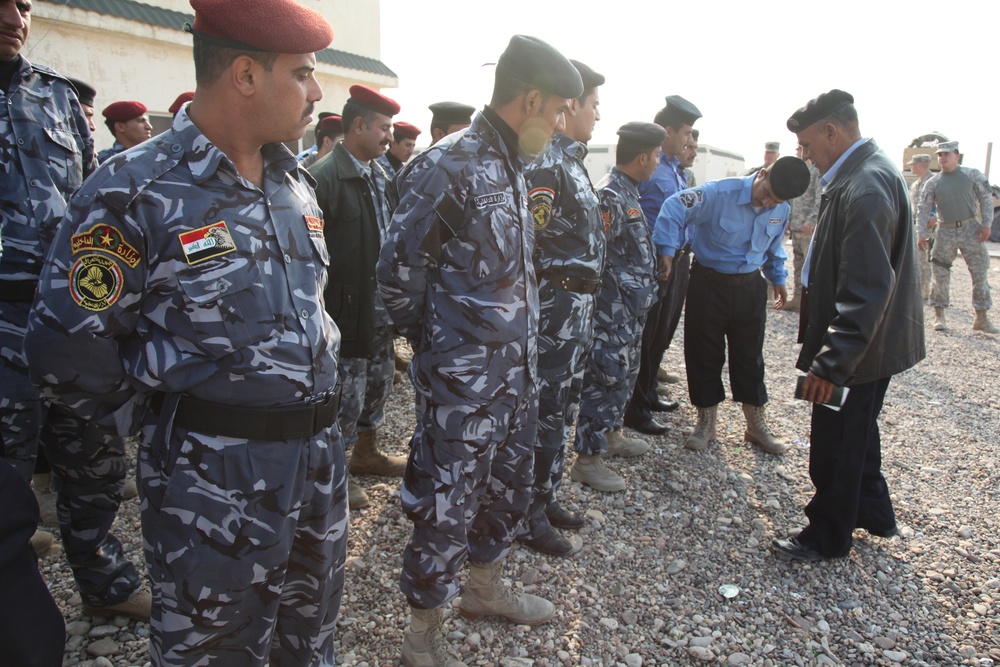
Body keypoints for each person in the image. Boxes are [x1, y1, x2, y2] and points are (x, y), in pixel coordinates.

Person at [25, 0, 349, 662]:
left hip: (316, 468)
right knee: (214, 649)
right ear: (246, 76)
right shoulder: (136, 187)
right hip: (213, 489)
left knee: (306, 644)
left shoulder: (294, 182)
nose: (317, 92)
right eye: (304, 72)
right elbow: (65, 350)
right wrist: (173, 428)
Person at [377, 34, 582, 666]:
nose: (564, 123)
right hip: (461, 386)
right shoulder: (450, 165)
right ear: (530, 99)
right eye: (559, 111)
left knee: (505, 490)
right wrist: (442, 349)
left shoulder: (514, 166)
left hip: (514, 379)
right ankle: (421, 633)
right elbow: (396, 279)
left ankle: (484, 589)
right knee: (445, 502)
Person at [1, 0, 148, 617]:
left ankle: (103, 580)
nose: (15, 15)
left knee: (93, 455)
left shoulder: (55, 96)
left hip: (64, 309)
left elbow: (90, 197)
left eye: (25, 4)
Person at [773, 89, 924, 562]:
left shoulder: (865, 187)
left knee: (835, 443)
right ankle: (875, 513)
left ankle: (827, 535)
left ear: (832, 133)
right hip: (871, 347)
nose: (808, 158)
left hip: (858, 353)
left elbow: (866, 292)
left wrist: (830, 365)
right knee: (860, 430)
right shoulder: (868, 172)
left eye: (809, 146)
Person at [655, 157, 810, 454]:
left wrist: (778, 278)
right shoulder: (718, 194)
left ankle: (755, 426)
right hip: (709, 285)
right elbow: (675, 207)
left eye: (774, 201)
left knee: (750, 357)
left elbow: (774, 247)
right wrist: (667, 249)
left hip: (750, 288)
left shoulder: (781, 208)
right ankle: (706, 424)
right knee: (704, 353)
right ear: (761, 174)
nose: (766, 203)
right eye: (766, 194)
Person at [519, 59, 604, 557]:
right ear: (570, 105)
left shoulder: (572, 160)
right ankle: (527, 512)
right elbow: (531, 238)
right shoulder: (548, 162)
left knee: (564, 405)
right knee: (546, 409)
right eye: (593, 104)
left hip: (578, 307)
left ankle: (545, 496)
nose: (597, 114)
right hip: (555, 305)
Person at [310, 84, 405, 511]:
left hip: (380, 311)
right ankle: (339, 473)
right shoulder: (323, 178)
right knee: (345, 396)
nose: (389, 136)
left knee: (378, 386)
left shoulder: (382, 174)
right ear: (358, 126)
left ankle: (368, 452)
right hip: (346, 312)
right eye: (383, 128)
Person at [571, 121, 665, 493]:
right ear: (642, 157)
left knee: (623, 376)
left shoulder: (629, 192)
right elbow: (593, 255)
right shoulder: (610, 195)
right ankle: (587, 460)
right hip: (611, 312)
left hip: (629, 311)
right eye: (656, 156)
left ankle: (611, 435)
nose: (658, 162)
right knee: (604, 378)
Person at [625, 95, 702, 435]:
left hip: (678, 261)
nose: (689, 140)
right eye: (686, 132)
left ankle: (649, 393)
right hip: (656, 261)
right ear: (667, 131)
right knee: (646, 335)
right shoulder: (653, 169)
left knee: (661, 335)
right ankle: (636, 408)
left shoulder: (674, 169)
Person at [918, 141, 997, 333]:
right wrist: (921, 233)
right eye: (940, 155)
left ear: (957, 156)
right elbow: (923, 208)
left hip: (971, 229)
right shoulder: (933, 182)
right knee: (940, 273)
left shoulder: (972, 175)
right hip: (945, 231)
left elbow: (986, 199)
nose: (942, 158)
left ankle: (981, 318)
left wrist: (987, 223)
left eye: (947, 154)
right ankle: (939, 316)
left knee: (979, 272)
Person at [784, 145, 821, 312]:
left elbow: (820, 198)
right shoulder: (799, 172)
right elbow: (793, 199)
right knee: (797, 263)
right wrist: (789, 220)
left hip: (808, 228)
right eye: (797, 150)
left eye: (800, 149)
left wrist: (812, 220)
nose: (798, 153)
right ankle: (798, 299)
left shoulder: (816, 171)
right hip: (797, 226)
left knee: (810, 266)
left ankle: (812, 302)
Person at [907, 153, 935, 300]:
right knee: (917, 257)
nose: (910, 166)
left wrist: (935, 216)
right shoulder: (916, 184)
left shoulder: (934, 181)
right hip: (916, 225)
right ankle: (919, 287)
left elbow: (940, 202)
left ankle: (925, 289)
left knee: (925, 257)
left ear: (919, 165)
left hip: (928, 227)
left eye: (912, 164)